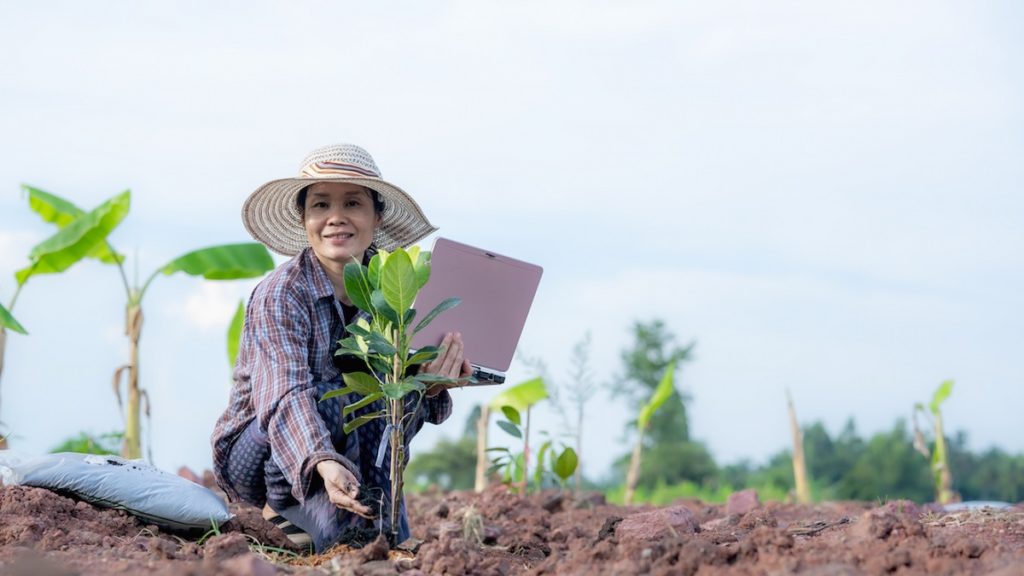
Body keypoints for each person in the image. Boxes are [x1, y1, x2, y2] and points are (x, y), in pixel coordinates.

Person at [211, 143, 471, 552]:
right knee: (338, 392)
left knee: (385, 394)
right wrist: (322, 460)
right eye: (320, 205)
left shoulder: (391, 295)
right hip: (262, 456)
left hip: (356, 454)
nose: (336, 218)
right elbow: (285, 396)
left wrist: (430, 384)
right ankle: (278, 515)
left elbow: (401, 415)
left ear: (375, 217)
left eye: (352, 202)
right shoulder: (281, 294)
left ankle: (369, 519)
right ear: (304, 218)